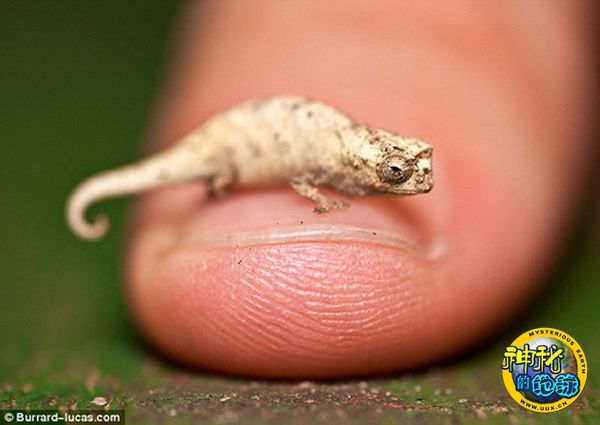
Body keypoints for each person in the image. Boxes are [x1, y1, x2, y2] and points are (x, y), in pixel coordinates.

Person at [125, 1, 597, 378]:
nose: (419, 181)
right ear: (370, 168)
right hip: (235, 143)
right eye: (397, 172)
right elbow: (301, 172)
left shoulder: (351, 155)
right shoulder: (339, 159)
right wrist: (316, 200)